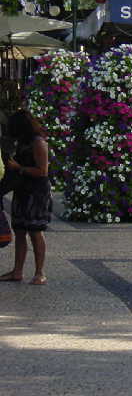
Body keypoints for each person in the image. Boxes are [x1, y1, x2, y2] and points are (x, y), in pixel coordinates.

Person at [0, 109, 52, 285]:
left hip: (36, 192)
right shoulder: (23, 142)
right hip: (23, 189)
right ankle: (17, 271)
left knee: (35, 231)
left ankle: (40, 272)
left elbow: (43, 171)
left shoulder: (38, 142)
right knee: (20, 230)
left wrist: (18, 167)